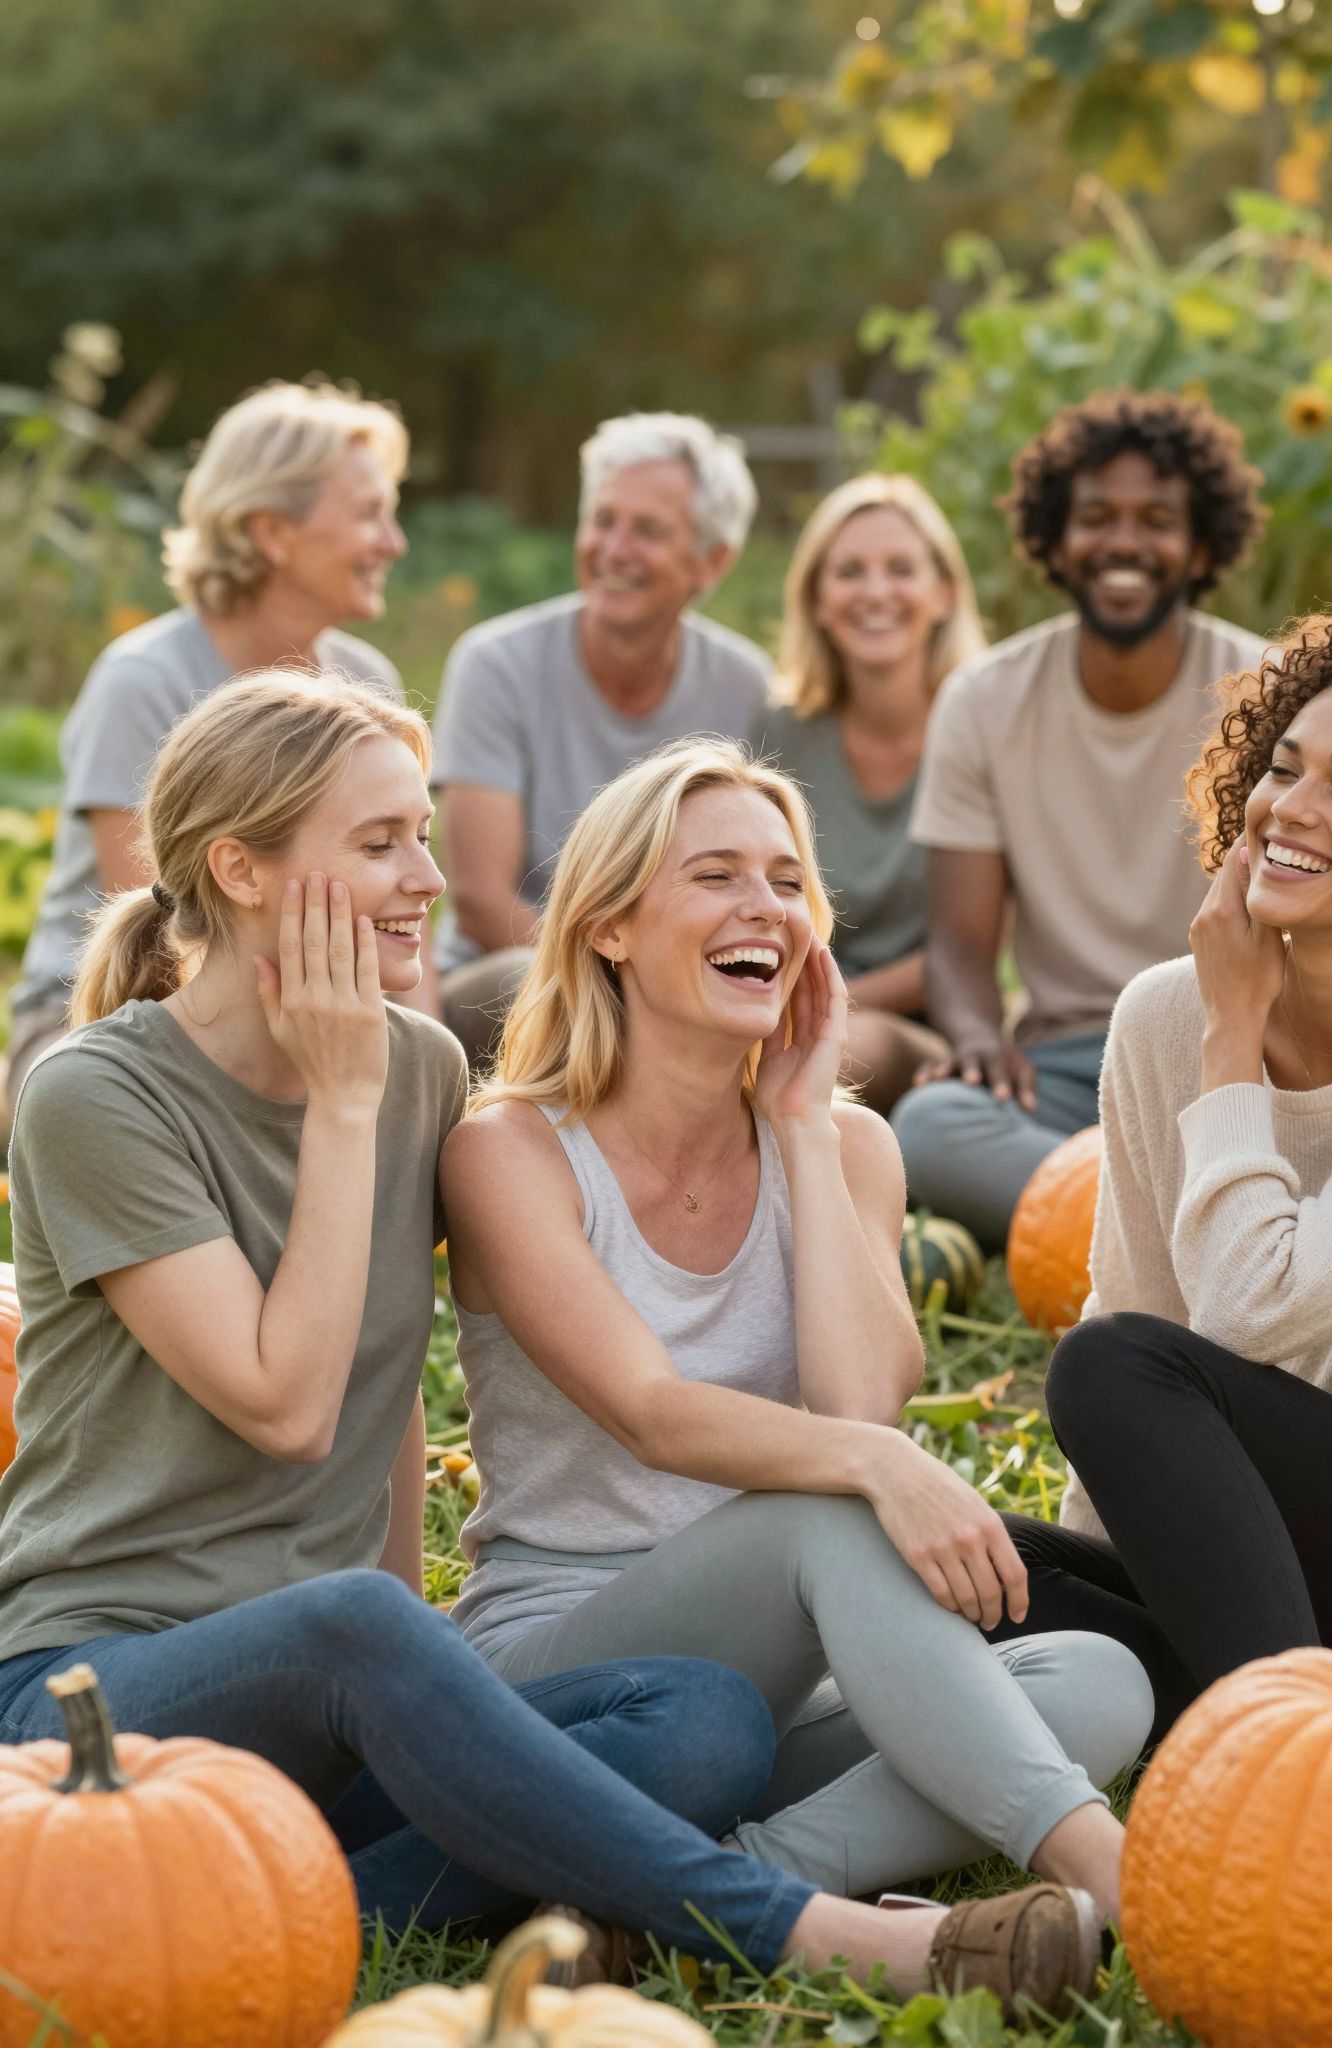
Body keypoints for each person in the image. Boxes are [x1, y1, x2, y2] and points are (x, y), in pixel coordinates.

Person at [0, 673, 1103, 2003]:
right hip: (98, 1689)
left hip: (336, 1706)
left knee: (702, 1722)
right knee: (355, 1621)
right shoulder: (97, 1095)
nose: (428, 879)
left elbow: (382, 1385)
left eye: (422, 835)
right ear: (240, 870)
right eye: (381, 843)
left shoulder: (416, 1067)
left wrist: (419, 1671)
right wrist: (342, 1104)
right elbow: (288, 1404)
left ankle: (301, 1902)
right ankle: (817, 1933)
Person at [441, 737, 1156, 2016]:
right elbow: (655, 1413)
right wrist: (876, 1466)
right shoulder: (511, 1150)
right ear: (609, 926)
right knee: (830, 1505)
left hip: (783, 1666)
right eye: (715, 874)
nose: (763, 907)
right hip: (570, 1672)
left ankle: (703, 1898)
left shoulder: (849, 1147)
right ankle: (1138, 1886)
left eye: (786, 881)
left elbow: (857, 1398)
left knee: (1100, 1679)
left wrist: (799, 1128)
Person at [992, 607, 1332, 1742]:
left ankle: (1286, 1751)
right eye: (1283, 769)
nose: (1290, 807)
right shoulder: (1163, 1016)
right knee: (979, 1565)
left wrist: (1233, 1034)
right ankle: (1285, 1700)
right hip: (1287, 1552)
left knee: (1110, 1363)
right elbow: (1145, 1308)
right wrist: (1113, 1558)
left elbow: (1245, 1310)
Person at [891, 389, 1268, 1247]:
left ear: (1201, 545)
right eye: (1096, 517)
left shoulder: (1268, 692)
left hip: (1231, 1052)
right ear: (1056, 541)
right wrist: (976, 1035)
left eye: (1156, 520)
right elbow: (958, 943)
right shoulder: (983, 701)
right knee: (930, 1125)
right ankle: (1192, 1226)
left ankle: (1098, 1218)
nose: (1123, 542)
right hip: (1063, 1071)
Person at [3, 378, 426, 1139]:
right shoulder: (147, 680)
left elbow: (394, 909)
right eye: (369, 514)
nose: (393, 543)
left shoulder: (367, 682)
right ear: (272, 531)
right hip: (114, 1014)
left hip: (315, 1003)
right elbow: (168, 926)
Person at [432, 413, 772, 1069]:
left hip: (684, 986)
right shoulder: (495, 664)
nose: (613, 548)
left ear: (712, 561)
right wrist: (628, 993)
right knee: (536, 989)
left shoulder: (747, 685)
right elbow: (479, 901)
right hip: (514, 971)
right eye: (603, 520)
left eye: (648, 530)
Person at [755, 475, 985, 1114]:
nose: (876, 592)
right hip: (780, 998)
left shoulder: (984, 729)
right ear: (817, 599)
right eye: (850, 571)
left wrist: (816, 1004)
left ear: (944, 593)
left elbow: (972, 945)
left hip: (921, 1023)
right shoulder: (781, 730)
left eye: (901, 569)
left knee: (844, 1048)